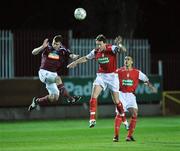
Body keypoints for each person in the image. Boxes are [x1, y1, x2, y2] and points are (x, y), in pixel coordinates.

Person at [67, 34, 127, 128]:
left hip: (113, 77)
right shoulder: (95, 51)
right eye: (97, 44)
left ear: (104, 43)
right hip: (101, 76)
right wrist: (75, 62)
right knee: (93, 96)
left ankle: (124, 119)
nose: (98, 46)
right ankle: (92, 119)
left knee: (117, 101)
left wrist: (119, 44)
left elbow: (123, 51)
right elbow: (86, 58)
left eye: (100, 44)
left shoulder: (111, 48)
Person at [28, 35, 81, 111]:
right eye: (53, 43)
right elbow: (33, 52)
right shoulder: (47, 47)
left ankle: (36, 101)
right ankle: (70, 98)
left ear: (60, 44)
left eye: (56, 44)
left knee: (54, 97)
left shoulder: (63, 49)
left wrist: (75, 57)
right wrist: (42, 47)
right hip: (44, 72)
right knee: (58, 79)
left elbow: (71, 55)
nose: (54, 45)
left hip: (53, 74)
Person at [113, 56, 157, 142]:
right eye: (125, 59)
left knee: (134, 114)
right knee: (119, 114)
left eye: (128, 59)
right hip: (121, 94)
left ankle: (129, 136)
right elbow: (110, 77)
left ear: (132, 62)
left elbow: (145, 79)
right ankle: (116, 136)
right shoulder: (118, 71)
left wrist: (151, 87)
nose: (126, 61)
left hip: (131, 96)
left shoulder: (137, 72)